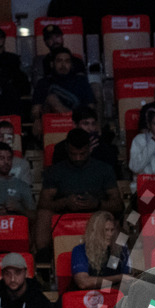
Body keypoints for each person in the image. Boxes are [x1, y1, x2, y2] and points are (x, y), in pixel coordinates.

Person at [35, 128, 123, 256]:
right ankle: (43, 257)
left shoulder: (104, 169)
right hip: (65, 213)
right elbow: (43, 204)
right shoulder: (55, 171)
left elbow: (118, 204)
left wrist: (97, 204)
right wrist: (65, 202)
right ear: (66, 149)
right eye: (73, 154)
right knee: (43, 214)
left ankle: (115, 261)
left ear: (89, 148)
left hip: (97, 214)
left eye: (82, 154)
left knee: (116, 219)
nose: (77, 158)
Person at [31, 47, 95, 137]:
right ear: (52, 64)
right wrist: (37, 119)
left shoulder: (80, 81)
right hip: (54, 124)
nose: (63, 65)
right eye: (59, 61)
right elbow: (35, 110)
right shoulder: (43, 83)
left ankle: (76, 127)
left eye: (67, 61)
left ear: (71, 65)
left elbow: (90, 107)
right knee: (51, 99)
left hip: (79, 121)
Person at [70, 211, 129, 291]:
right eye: (106, 230)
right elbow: (83, 283)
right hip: (86, 298)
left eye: (112, 230)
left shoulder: (120, 251)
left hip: (112, 297)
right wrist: (119, 277)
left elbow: (127, 281)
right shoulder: (80, 251)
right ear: (95, 232)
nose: (110, 234)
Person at [51, 106, 120, 173]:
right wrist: (85, 154)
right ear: (74, 124)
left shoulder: (103, 147)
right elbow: (59, 173)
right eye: (85, 124)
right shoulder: (61, 148)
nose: (90, 128)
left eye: (93, 124)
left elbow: (109, 171)